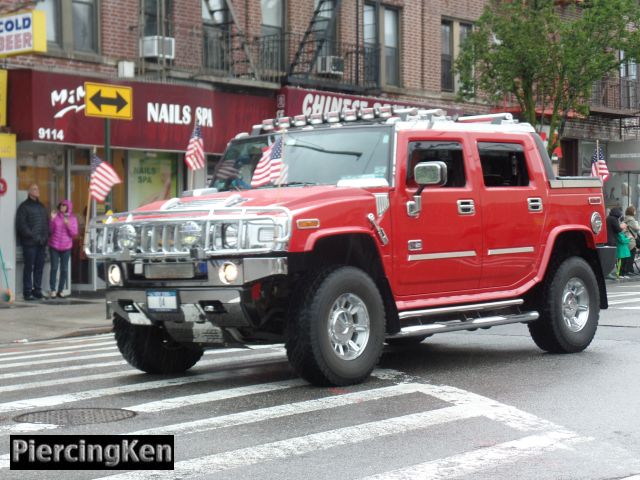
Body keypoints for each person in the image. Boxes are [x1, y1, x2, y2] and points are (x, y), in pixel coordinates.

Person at [15, 183, 49, 300]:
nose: (37, 190)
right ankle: (27, 292)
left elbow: (46, 224)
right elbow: (22, 226)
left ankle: (37, 290)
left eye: (38, 188)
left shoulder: (41, 206)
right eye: (34, 189)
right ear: (29, 192)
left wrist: (45, 238)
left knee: (39, 268)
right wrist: (34, 237)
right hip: (29, 244)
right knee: (28, 268)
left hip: (41, 244)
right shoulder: (24, 207)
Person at [48, 199, 78, 298]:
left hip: (66, 246)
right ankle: (52, 290)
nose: (62, 207)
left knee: (64, 269)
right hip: (54, 246)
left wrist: (67, 224)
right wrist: (52, 220)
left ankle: (60, 290)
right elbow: (50, 231)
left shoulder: (72, 218)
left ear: (68, 207)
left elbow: (74, 233)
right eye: (61, 205)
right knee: (54, 268)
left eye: (64, 205)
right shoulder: (55, 217)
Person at [605, 207, 624, 280]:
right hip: (611, 240)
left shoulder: (609, 218)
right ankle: (610, 273)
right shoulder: (613, 219)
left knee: (609, 257)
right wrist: (622, 227)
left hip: (608, 240)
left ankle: (609, 273)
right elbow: (618, 229)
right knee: (612, 257)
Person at [623, 206, 640, 275]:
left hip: (627, 238)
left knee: (628, 255)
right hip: (631, 240)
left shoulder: (625, 218)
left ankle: (628, 270)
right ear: (632, 211)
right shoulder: (631, 219)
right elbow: (636, 228)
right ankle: (629, 270)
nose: (635, 212)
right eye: (634, 210)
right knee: (631, 256)